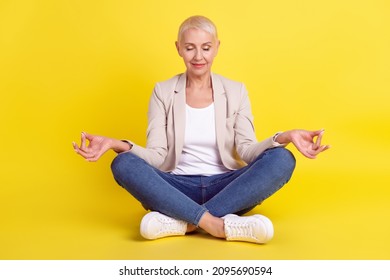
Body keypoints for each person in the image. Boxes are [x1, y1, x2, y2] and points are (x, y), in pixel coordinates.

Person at [72, 15, 329, 244]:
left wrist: (286, 137)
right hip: (174, 186)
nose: (198, 57)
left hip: (227, 186)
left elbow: (249, 152)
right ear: (178, 49)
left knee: (282, 158)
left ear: (216, 48)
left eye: (206, 48)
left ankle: (185, 222)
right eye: (190, 48)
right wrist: (117, 144)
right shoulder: (163, 91)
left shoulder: (235, 91)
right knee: (123, 163)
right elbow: (157, 156)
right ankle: (218, 225)